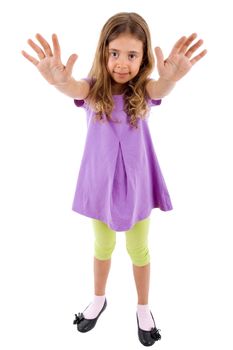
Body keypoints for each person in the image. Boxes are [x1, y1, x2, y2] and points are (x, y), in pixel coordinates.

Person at [22, 12, 207, 347]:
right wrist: (59, 82)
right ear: (103, 53)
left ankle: (143, 307)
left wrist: (172, 79)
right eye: (115, 54)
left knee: (139, 249)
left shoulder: (145, 90)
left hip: (136, 187)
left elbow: (160, 87)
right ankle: (98, 298)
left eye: (132, 55)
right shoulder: (92, 90)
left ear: (144, 57)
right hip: (101, 185)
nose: (122, 63)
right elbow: (73, 87)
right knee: (103, 246)